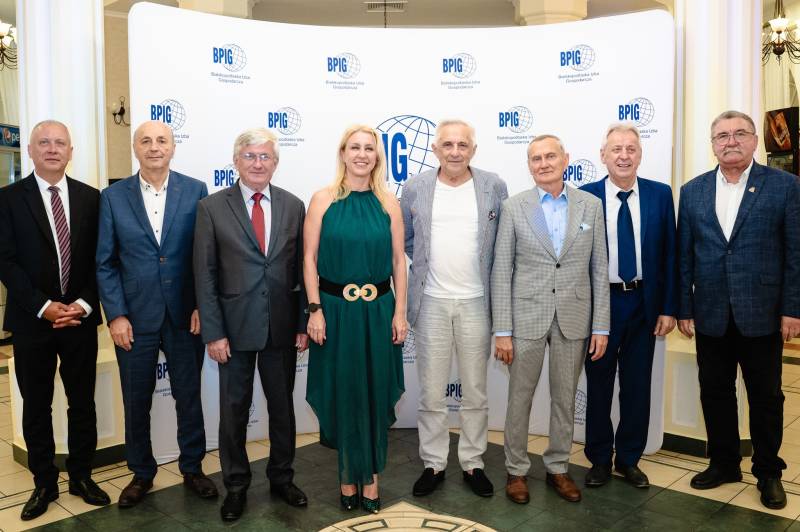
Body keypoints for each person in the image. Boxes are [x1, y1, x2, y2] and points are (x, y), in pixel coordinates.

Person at [677, 110, 800, 510]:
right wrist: (684, 308)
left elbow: (795, 253)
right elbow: (684, 257)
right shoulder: (692, 191)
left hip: (762, 313)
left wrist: (793, 309)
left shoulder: (785, 187)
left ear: (755, 140)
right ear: (713, 144)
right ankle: (724, 463)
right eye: (722, 135)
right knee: (715, 392)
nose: (731, 141)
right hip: (710, 312)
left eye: (739, 134)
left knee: (766, 397)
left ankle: (768, 472)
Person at [96, 120, 217, 507]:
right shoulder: (113, 197)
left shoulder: (195, 190)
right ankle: (141, 473)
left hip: (185, 315)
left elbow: (204, 256)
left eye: (161, 140)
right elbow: (105, 263)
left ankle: (193, 467)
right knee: (136, 400)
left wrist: (201, 305)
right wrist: (116, 315)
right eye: (145, 141)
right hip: (134, 318)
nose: (154, 147)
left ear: (173, 147)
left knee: (189, 396)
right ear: (135, 148)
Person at [194, 128, 308, 522]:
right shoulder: (211, 208)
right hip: (233, 329)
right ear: (236, 161)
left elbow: (300, 269)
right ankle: (236, 486)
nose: (258, 163)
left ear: (275, 163)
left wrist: (302, 322)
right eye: (250, 156)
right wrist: (214, 332)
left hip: (281, 327)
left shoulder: (293, 205)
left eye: (265, 157)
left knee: (283, 409)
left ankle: (282, 478)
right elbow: (205, 275)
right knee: (234, 412)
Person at [0, 120, 110, 520]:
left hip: (80, 319)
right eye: (43, 142)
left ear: (70, 151)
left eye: (59, 143)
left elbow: (103, 259)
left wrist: (83, 304)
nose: (52, 149)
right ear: (30, 151)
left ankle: (81, 476)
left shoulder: (92, 198)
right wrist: (43, 306)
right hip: (32, 321)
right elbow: (5, 261)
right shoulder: (8, 199)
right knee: (36, 405)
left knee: (82, 402)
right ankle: (44, 482)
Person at [492, 134, 609, 504]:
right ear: (529, 165)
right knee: (519, 398)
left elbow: (599, 268)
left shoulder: (591, 206)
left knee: (564, 398)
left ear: (565, 159)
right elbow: (501, 270)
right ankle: (516, 470)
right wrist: (502, 330)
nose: (543, 164)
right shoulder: (514, 207)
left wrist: (601, 325)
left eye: (550, 156)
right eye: (536, 158)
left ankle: (558, 467)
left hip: (574, 317)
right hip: (526, 317)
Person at [401, 119, 508, 498]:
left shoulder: (493, 186)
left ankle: (473, 462)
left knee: (475, 390)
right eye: (447, 144)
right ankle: (433, 463)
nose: (455, 151)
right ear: (435, 149)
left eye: (463, 145)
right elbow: (408, 240)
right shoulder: (415, 188)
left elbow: (501, 242)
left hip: (478, 301)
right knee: (431, 392)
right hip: (430, 301)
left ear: (473, 150)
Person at [304, 125, 407, 513]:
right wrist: (314, 310)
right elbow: (309, 259)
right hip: (335, 312)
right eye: (355, 147)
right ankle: (347, 479)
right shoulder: (323, 199)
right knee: (345, 392)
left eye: (369, 148)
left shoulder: (388, 203)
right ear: (343, 153)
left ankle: (372, 480)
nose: (362, 154)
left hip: (378, 312)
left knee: (374, 392)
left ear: (377, 156)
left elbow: (398, 261)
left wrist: (400, 312)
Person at [580, 123, 678, 489]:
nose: (623, 156)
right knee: (599, 385)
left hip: (643, 303)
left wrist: (668, 307)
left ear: (640, 155)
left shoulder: (660, 194)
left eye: (631, 149)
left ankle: (629, 459)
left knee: (637, 386)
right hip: (600, 305)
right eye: (616, 149)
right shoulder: (585, 197)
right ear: (603, 155)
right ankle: (599, 459)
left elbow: (670, 255)